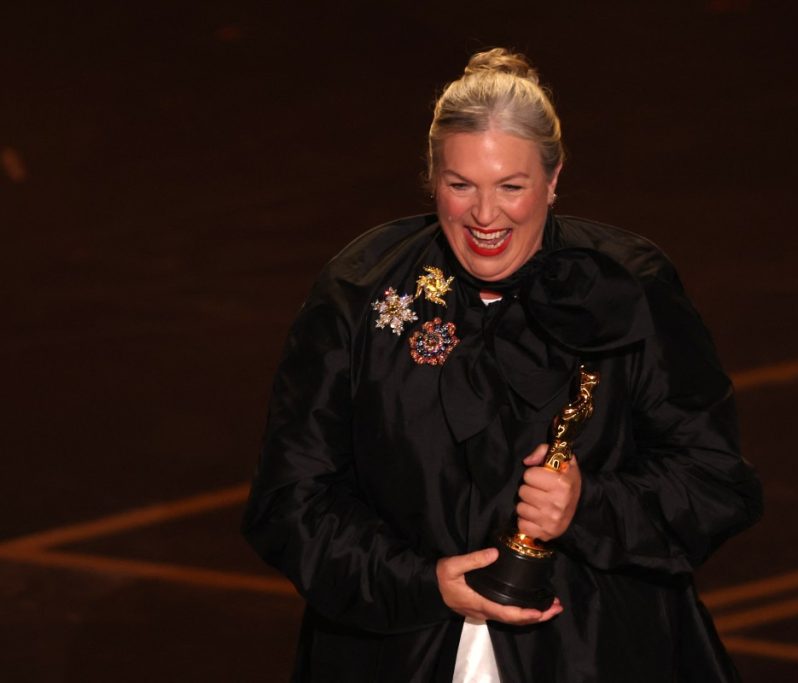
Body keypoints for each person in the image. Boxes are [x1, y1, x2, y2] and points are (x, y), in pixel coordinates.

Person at [242, 48, 763, 682]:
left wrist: (588, 506)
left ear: (554, 177)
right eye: (460, 185)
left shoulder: (629, 289)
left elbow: (715, 482)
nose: (485, 216)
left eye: (511, 187)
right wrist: (421, 582)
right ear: (432, 177)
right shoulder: (359, 294)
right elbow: (290, 500)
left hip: (593, 655)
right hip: (398, 656)